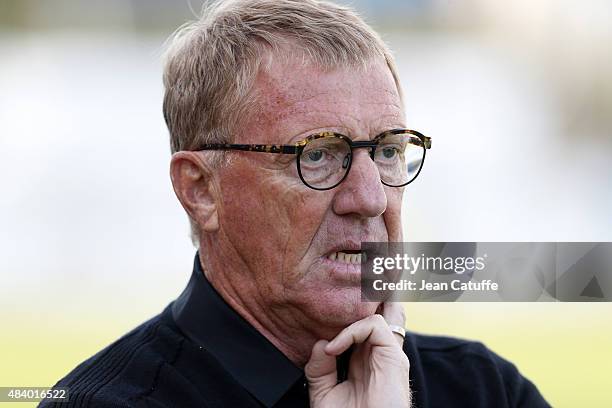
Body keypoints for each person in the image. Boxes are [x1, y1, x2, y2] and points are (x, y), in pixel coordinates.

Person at [41, 0, 550, 406]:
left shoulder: (483, 388)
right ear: (200, 190)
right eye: (319, 155)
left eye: (388, 151)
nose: (370, 198)